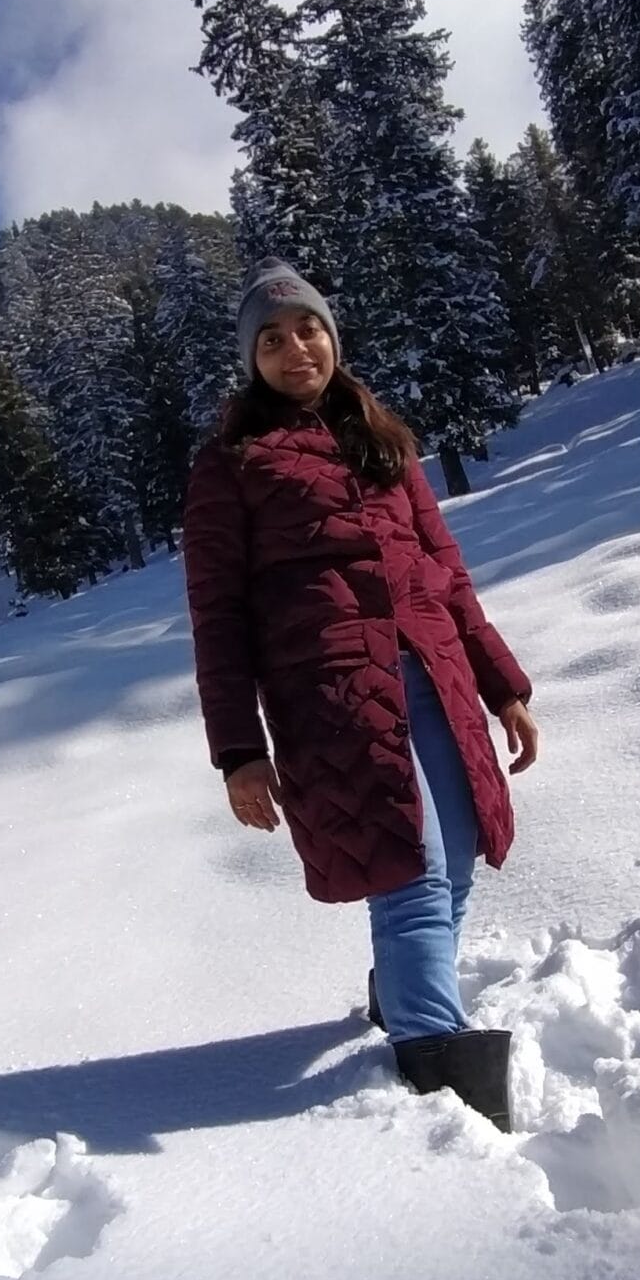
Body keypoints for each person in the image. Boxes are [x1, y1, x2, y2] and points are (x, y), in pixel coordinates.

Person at [181, 259, 540, 1131]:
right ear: (251, 360)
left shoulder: (385, 441)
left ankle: (402, 987)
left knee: (454, 856)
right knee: (408, 869)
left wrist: (504, 687)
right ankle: (436, 1068)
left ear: (331, 337)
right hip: (332, 698)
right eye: (271, 338)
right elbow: (217, 618)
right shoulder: (231, 464)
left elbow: (446, 575)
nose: (294, 347)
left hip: (438, 673)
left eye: (307, 328)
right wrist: (237, 751)